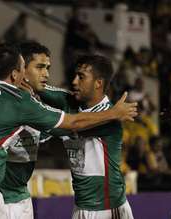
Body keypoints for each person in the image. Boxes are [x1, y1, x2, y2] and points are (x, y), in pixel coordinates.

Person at [0, 43, 137, 219]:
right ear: (19, 71)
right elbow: (71, 122)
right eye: (40, 67)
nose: (47, 74)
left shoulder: (36, 107)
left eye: (48, 67)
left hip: (21, 199)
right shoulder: (17, 103)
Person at [39, 54, 134, 219]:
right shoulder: (71, 103)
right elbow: (36, 86)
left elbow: (71, 126)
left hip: (107, 210)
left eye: (81, 77)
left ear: (98, 83)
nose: (74, 81)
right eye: (75, 76)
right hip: (80, 206)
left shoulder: (110, 119)